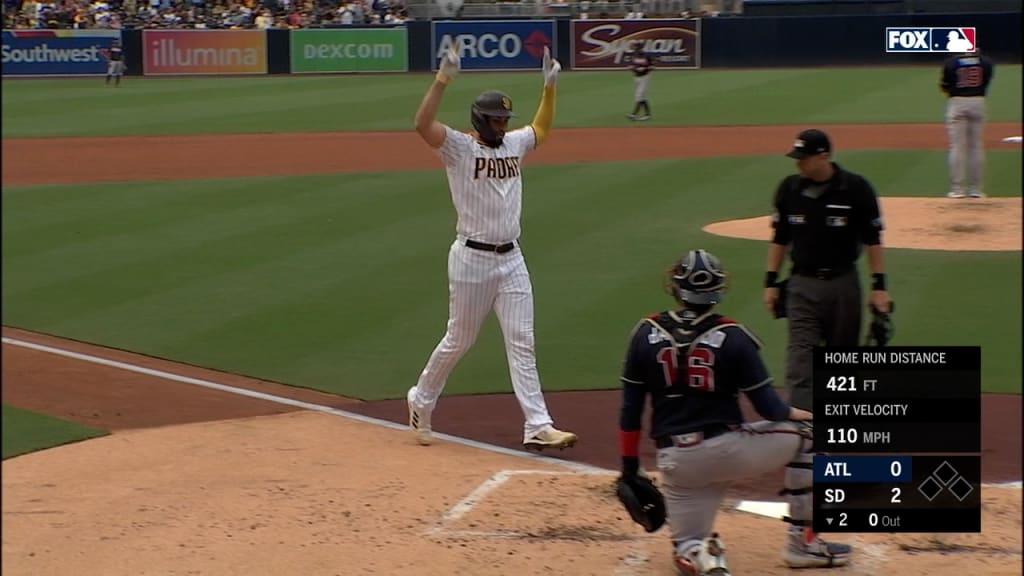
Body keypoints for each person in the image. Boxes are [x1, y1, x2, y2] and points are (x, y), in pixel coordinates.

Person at [618, 249, 851, 575]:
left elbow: (630, 409)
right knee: (811, 436)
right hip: (729, 451)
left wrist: (629, 469)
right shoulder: (734, 336)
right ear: (717, 290)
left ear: (675, 286)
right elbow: (770, 408)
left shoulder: (644, 332)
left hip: (677, 463)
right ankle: (804, 543)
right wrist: (808, 416)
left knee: (688, 544)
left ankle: (700, 555)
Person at [407, 46, 578, 452]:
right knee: (459, 339)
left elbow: (541, 130)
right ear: (480, 120)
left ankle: (538, 424)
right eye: (497, 119)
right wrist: (442, 78)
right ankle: (422, 398)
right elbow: (421, 124)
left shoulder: (513, 145)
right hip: (471, 259)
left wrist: (549, 88)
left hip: (512, 258)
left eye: (505, 119)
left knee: (522, 340)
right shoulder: (458, 149)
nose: (503, 125)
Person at [763, 128, 892, 410]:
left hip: (843, 285)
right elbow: (780, 238)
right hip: (802, 286)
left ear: (823, 156)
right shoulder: (789, 189)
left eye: (803, 157)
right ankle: (804, 432)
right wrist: (771, 281)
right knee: (800, 360)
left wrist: (879, 287)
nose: (798, 163)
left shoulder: (857, 189)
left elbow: (873, 240)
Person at [940, 46, 995, 198]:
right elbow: (987, 82)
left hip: (957, 102)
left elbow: (944, 87)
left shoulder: (951, 62)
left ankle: (957, 190)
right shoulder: (986, 62)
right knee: (976, 147)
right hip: (978, 101)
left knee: (957, 147)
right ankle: (976, 190)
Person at [627, 44, 653, 121]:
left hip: (645, 77)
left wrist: (644, 68)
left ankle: (634, 114)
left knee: (639, 95)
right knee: (643, 96)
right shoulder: (634, 56)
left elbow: (652, 66)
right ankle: (647, 115)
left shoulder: (647, 56)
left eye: (637, 48)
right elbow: (632, 66)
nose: (636, 50)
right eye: (635, 49)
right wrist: (633, 68)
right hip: (636, 77)